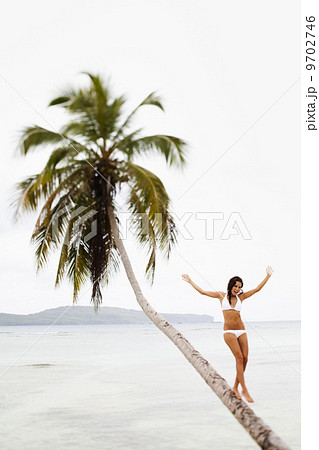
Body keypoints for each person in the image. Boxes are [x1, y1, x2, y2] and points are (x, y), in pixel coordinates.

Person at [181, 266, 274, 403]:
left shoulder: (241, 297)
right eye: (235, 286)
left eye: (239, 287)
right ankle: (244, 389)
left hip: (241, 330)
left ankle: (235, 387)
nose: (237, 289)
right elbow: (203, 292)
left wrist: (267, 276)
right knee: (239, 358)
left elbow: (257, 289)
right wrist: (190, 281)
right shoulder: (221, 296)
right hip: (229, 332)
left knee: (246, 358)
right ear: (231, 285)